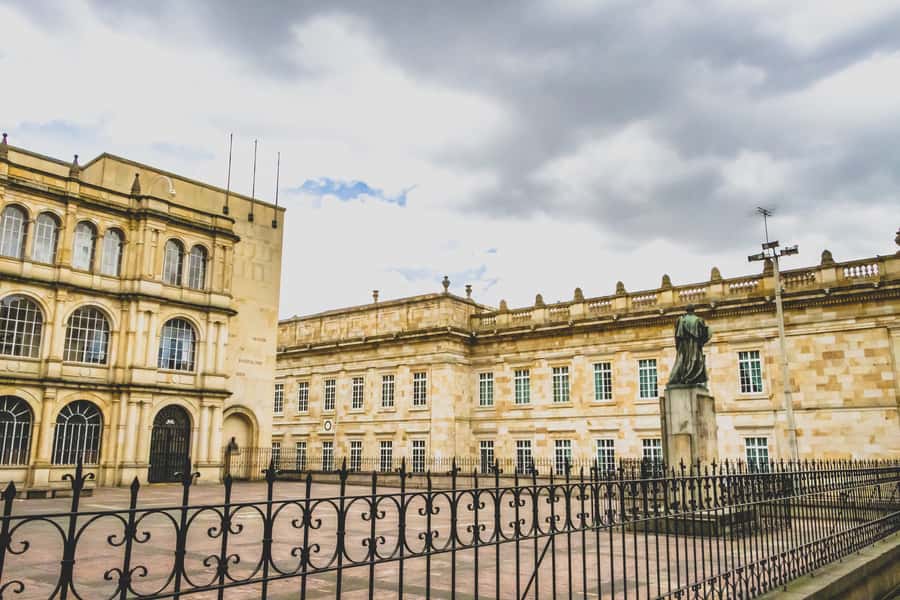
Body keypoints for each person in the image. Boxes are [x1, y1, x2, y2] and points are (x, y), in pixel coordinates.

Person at [668, 304, 710, 386]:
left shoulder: (681, 320)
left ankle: (684, 377)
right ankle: (691, 378)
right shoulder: (699, 320)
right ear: (693, 310)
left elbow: (677, 336)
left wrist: (678, 346)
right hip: (694, 345)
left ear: (686, 310)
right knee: (694, 360)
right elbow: (705, 334)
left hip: (683, 346)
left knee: (683, 361)